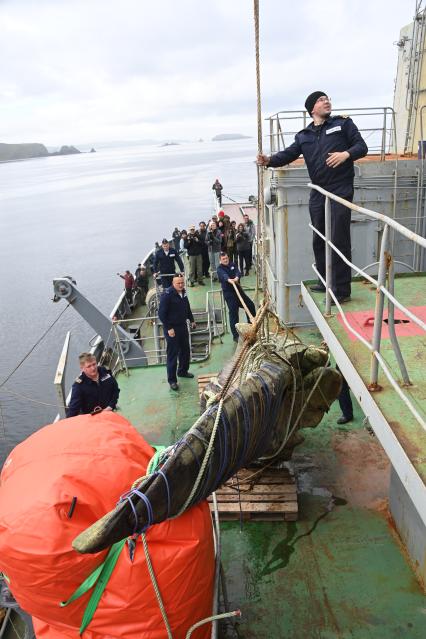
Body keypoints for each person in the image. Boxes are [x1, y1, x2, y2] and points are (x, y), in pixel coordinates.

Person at [257, 91, 368, 303]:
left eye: (327, 98)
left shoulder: (343, 124)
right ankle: (324, 280)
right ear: (312, 109)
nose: (326, 101)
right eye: (320, 100)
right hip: (318, 190)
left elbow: (361, 147)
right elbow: (288, 154)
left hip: (340, 188)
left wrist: (346, 154)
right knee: (319, 237)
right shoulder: (304, 135)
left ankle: (342, 290)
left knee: (338, 238)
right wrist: (268, 160)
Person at [158, 274, 196, 391]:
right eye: (178, 283)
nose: (180, 285)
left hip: (182, 326)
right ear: (173, 283)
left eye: (182, 282)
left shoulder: (183, 293)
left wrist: (192, 320)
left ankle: (183, 371)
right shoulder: (167, 295)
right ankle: (172, 380)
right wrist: (169, 328)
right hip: (172, 329)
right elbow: (161, 314)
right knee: (172, 355)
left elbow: (187, 307)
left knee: (185, 350)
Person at [217, 252, 256, 342]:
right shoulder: (219, 269)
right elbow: (223, 276)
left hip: (238, 291)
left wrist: (237, 277)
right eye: (223, 259)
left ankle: (252, 326)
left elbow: (237, 272)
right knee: (234, 312)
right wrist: (229, 280)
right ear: (220, 260)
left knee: (250, 305)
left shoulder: (232, 264)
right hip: (229, 294)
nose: (226, 260)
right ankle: (236, 336)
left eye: (226, 258)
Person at [67, 352, 120, 417]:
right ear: (82, 368)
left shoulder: (104, 371)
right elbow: (73, 410)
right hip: (93, 419)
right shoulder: (79, 386)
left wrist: (111, 406)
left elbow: (115, 389)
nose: (93, 368)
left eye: (94, 364)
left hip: (110, 411)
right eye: (89, 366)